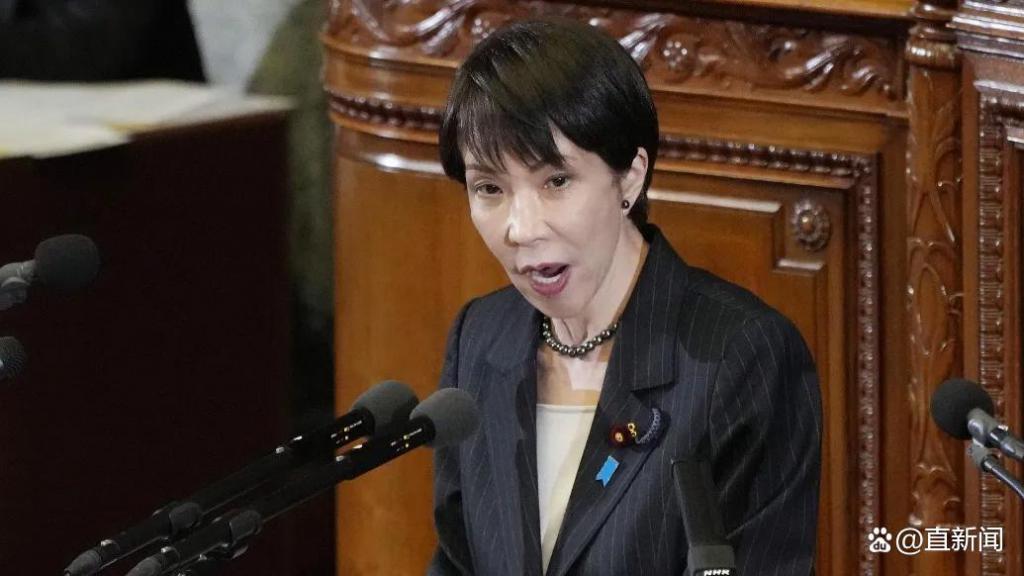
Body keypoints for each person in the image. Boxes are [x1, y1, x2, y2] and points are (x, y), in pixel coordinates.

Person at [430, 18, 822, 576]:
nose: (521, 228)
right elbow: (455, 561)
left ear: (631, 177)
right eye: (489, 188)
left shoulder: (742, 357)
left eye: (556, 181)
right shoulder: (480, 337)